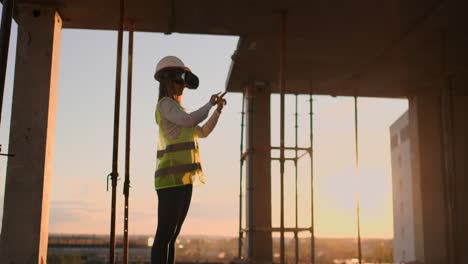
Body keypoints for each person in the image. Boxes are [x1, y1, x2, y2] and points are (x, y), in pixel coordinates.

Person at [151, 56, 227, 264]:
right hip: (169, 181)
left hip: (184, 181)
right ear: (169, 79)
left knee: (172, 237)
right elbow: (191, 120)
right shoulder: (165, 106)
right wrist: (209, 104)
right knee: (164, 235)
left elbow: (202, 131)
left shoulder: (179, 111)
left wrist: (218, 110)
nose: (183, 86)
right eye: (180, 81)